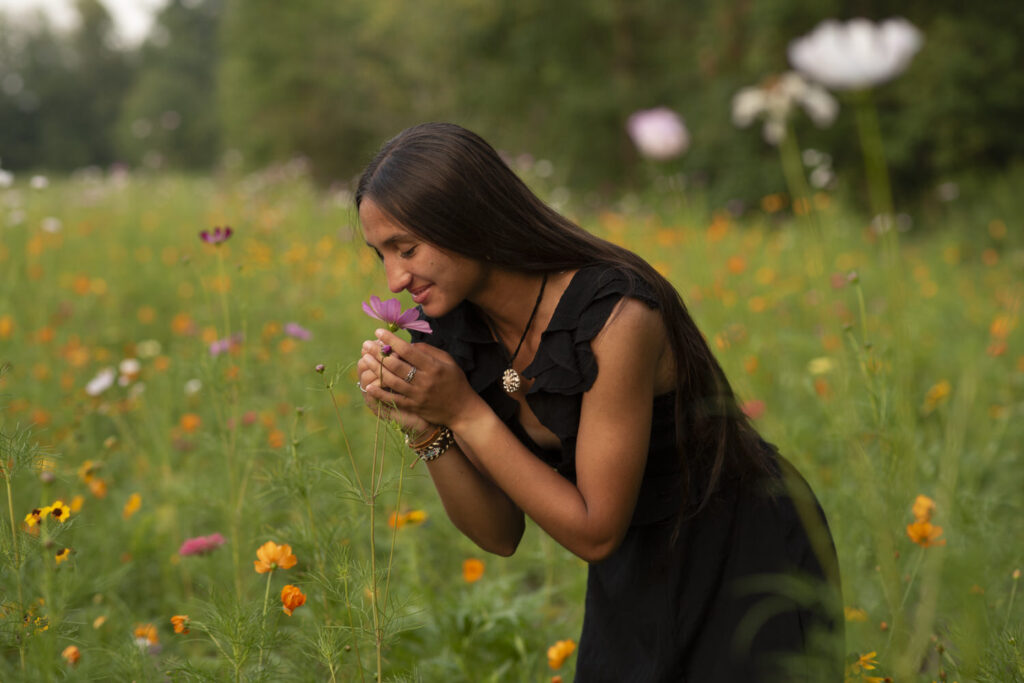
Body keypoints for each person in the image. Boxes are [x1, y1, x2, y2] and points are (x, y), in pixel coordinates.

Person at [355, 122, 842, 681]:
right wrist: (426, 426)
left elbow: (595, 531)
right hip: (633, 574)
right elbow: (498, 535)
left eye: (406, 248)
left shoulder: (615, 313)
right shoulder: (454, 329)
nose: (394, 279)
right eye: (381, 254)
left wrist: (464, 411)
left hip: (745, 556)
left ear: (469, 217)